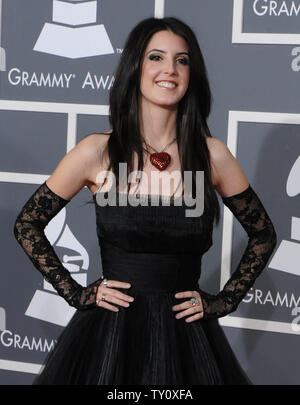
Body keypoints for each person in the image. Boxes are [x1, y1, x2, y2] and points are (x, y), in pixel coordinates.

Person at [13, 17, 277, 385]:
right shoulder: (97, 152)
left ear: (192, 74)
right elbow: (27, 223)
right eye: (156, 57)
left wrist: (223, 301)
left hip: (188, 341)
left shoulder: (211, 157)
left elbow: (263, 234)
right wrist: (75, 292)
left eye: (182, 60)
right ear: (135, 67)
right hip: (109, 336)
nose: (170, 69)